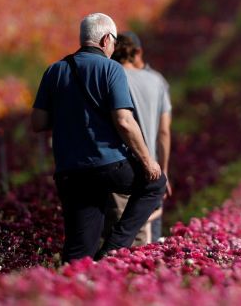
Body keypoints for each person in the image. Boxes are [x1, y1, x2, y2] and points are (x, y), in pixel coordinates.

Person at [31, 13, 167, 262]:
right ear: (106, 39)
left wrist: (69, 116)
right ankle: (113, 249)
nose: (113, 47)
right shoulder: (111, 68)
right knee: (154, 184)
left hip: (70, 170)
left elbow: (38, 123)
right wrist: (148, 161)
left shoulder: (54, 71)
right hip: (108, 165)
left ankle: (69, 286)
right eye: (113, 42)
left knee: (79, 248)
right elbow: (124, 121)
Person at [107, 31, 172, 244]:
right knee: (145, 238)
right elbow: (164, 132)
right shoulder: (157, 81)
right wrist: (164, 172)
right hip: (150, 169)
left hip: (119, 165)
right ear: (138, 52)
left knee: (120, 236)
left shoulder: (111, 76)